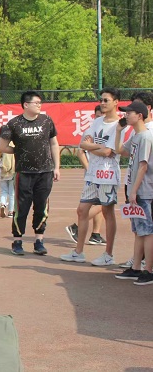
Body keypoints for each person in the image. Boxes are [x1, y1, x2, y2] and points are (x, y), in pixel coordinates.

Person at [60, 88, 121, 266]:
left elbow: (109, 152)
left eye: (106, 100)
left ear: (116, 102)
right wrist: (96, 147)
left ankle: (108, 254)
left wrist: (92, 146)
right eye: (101, 100)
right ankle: (78, 252)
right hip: (92, 173)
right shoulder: (97, 122)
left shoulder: (119, 126)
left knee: (107, 211)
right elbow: (83, 144)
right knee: (82, 209)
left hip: (108, 174)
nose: (102, 103)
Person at [0, 91, 60, 256]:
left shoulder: (46, 121)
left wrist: (56, 167)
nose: (39, 105)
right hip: (24, 173)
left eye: (40, 103)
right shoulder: (14, 124)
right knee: (22, 208)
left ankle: (39, 241)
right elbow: (2, 147)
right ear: (26, 105)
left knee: (41, 206)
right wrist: (19, 151)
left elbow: (54, 144)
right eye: (36, 103)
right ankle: (17, 241)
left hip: (45, 172)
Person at [114, 101, 153, 285]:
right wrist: (118, 132)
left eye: (129, 113)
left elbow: (143, 166)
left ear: (139, 115)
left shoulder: (146, 136)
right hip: (135, 190)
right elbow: (120, 150)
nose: (126, 115)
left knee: (147, 230)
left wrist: (134, 191)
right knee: (138, 231)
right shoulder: (136, 136)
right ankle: (136, 267)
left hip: (143, 191)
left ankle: (148, 270)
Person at [65, 104, 107, 245]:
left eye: (103, 115)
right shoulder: (91, 131)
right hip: (95, 174)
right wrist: (90, 170)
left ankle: (96, 234)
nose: (101, 118)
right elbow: (80, 152)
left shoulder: (109, 130)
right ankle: (76, 226)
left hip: (105, 173)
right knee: (105, 204)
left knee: (100, 203)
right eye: (98, 115)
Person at [0, 127, 16, 219]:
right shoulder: (11, 144)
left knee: (3, 190)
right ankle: (11, 211)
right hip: (11, 170)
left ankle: (3, 203)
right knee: (12, 192)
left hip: (1, 170)